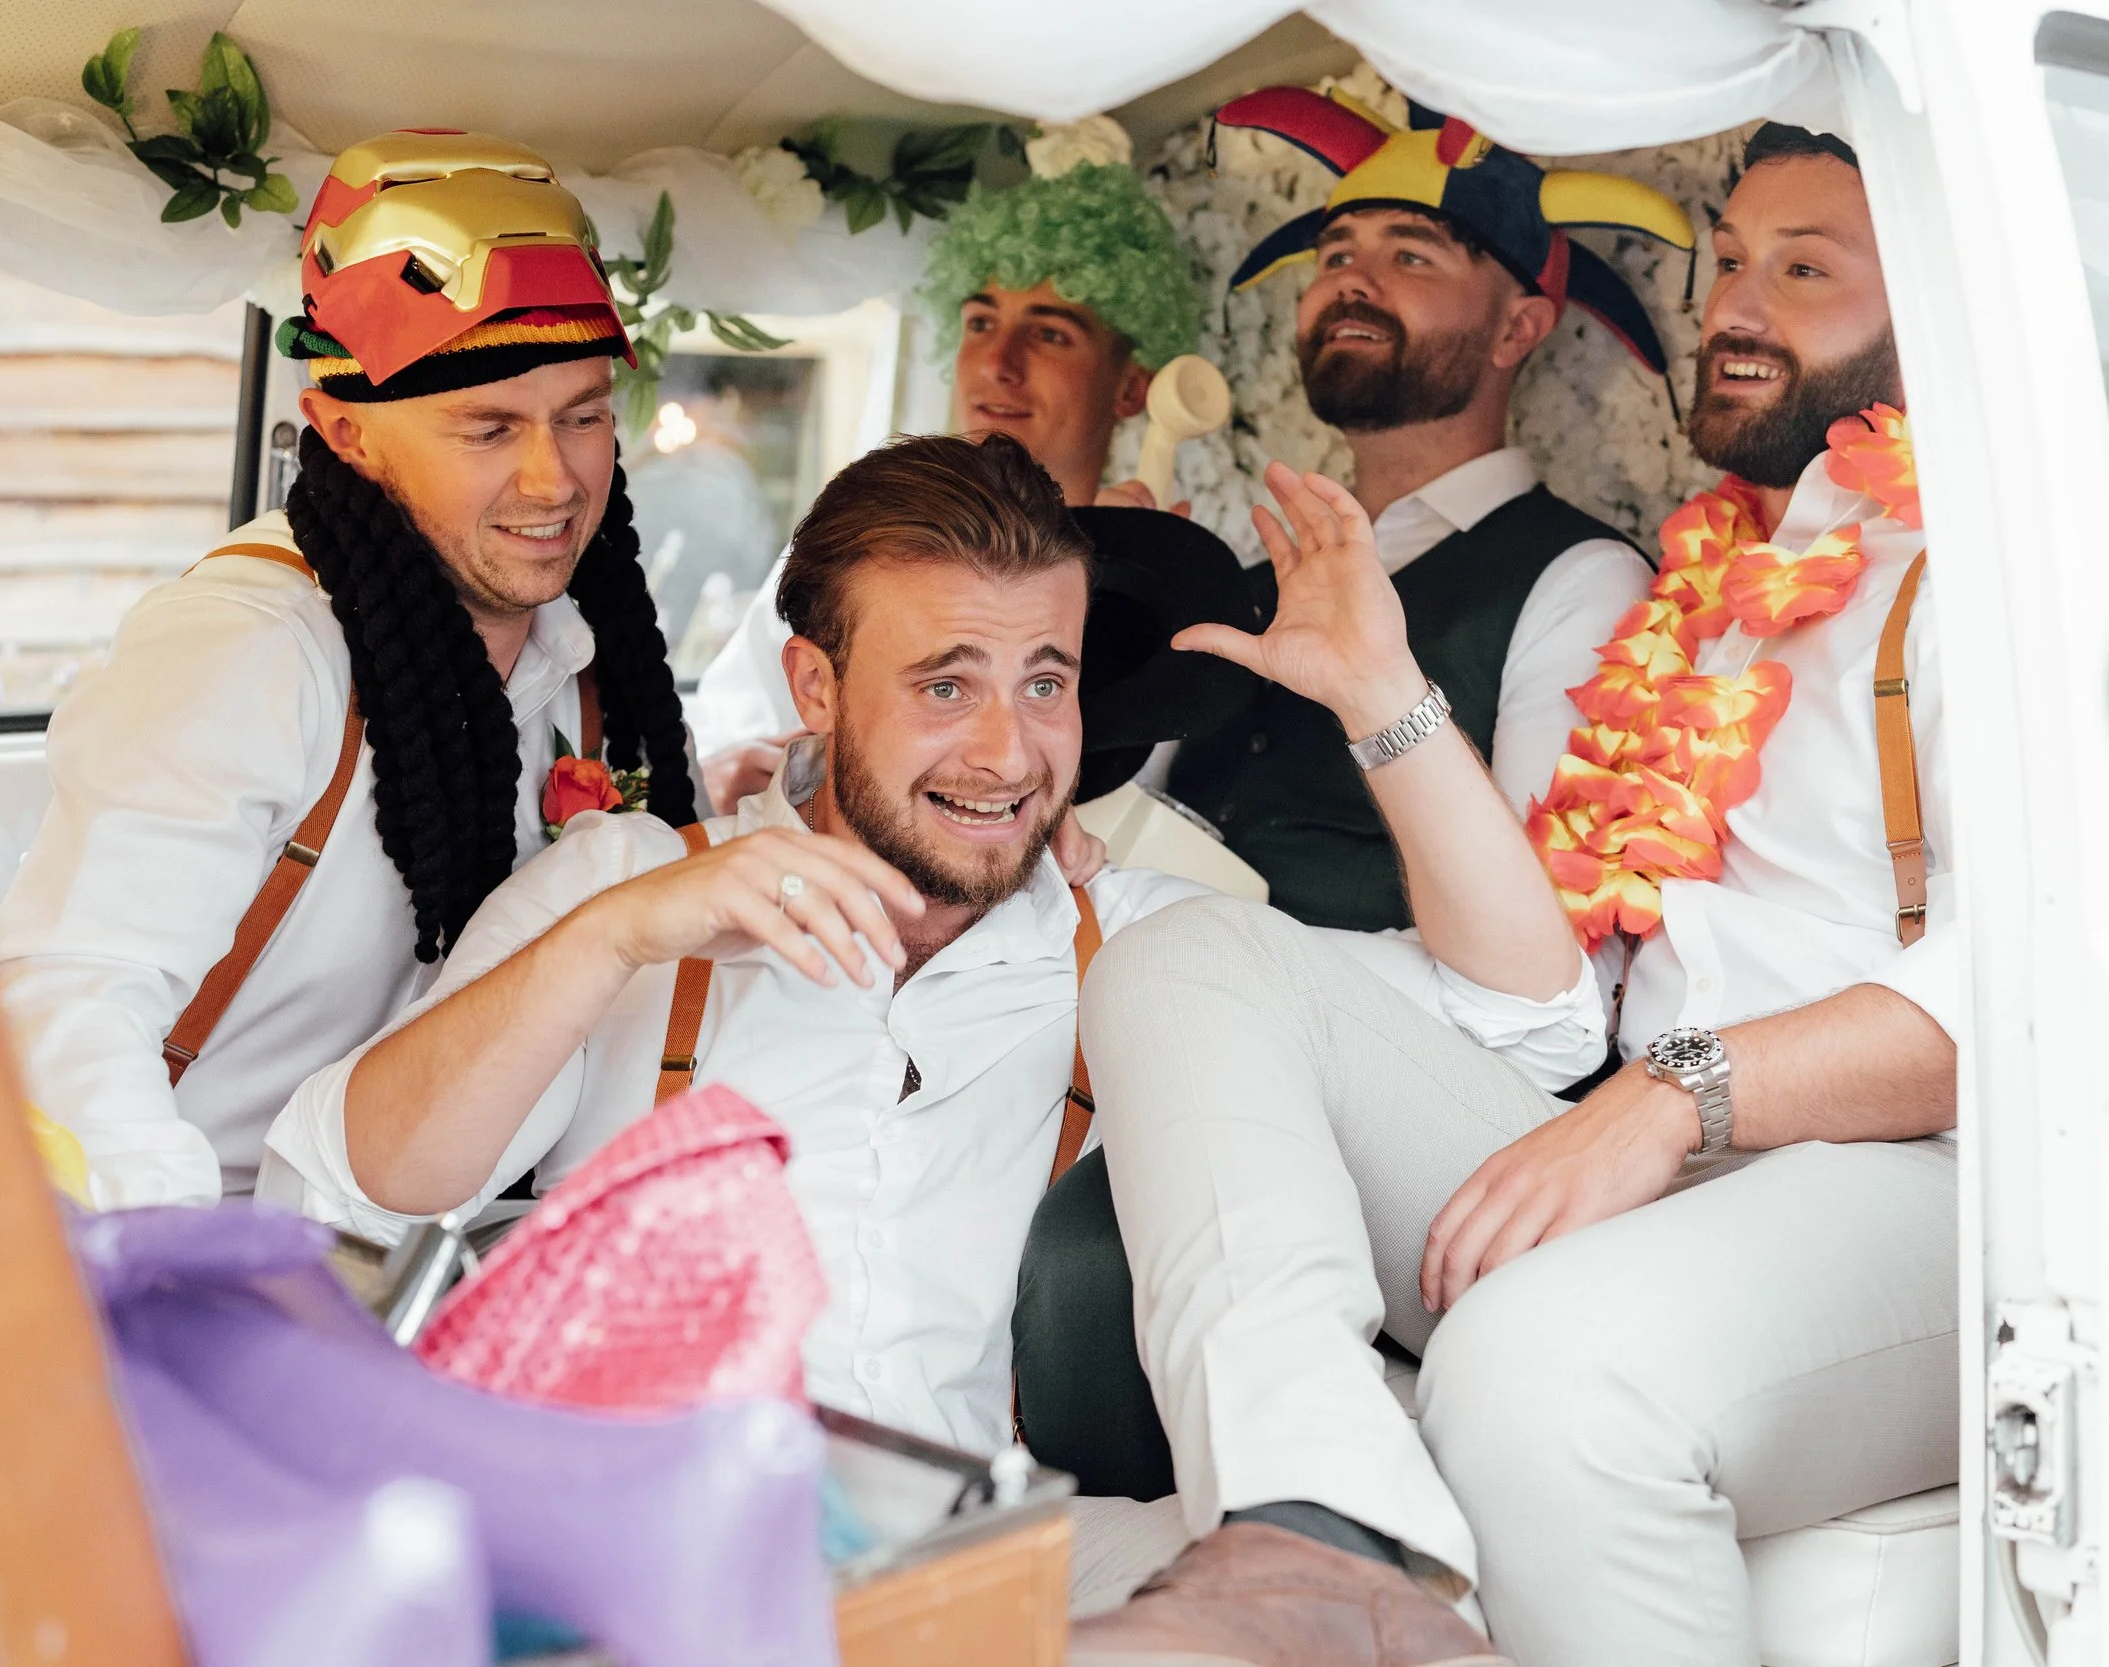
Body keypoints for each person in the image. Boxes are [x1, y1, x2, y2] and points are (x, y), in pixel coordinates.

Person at [259, 434, 1571, 1661]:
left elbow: (1537, 1020)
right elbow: (342, 1187)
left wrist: (1382, 696)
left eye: (1042, 681)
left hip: (986, 1557)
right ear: (816, 685)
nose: (1007, 752)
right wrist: (608, 940)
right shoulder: (628, 887)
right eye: (946, 682)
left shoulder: (1156, 943)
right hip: (642, 1560)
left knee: (1397, 1607)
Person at [1062, 125, 1954, 1667]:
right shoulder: (1728, 570)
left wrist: (1670, 1097)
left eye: (1803, 271)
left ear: (1943, 301)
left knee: (1534, 1368)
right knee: (1194, 958)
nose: (1733, 305)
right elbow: (1543, 984)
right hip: (1650, 1126)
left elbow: (2046, 989)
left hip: (1916, 1170)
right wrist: (1382, 693)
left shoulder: (2002, 575)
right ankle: (1315, 1531)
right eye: (1727, 262)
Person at [0, 131, 699, 1208]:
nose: (553, 478)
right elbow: (69, 997)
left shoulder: (600, 674)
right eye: (488, 427)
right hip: (191, 1236)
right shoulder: (250, 648)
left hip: (433, 1250)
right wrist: (190, 1276)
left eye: (583, 417)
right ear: (346, 433)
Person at [1167, 88, 1696, 931]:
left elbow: (1537, 945)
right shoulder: (1252, 555)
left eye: (1410, 257)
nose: (1351, 283)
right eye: (1334, 256)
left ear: (1517, 330)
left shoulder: (1582, 581)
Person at [691, 115, 1206, 808]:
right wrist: (736, 774)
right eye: (980, 323)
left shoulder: (1164, 596)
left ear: (1134, 385)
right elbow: (729, 739)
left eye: (1050, 333)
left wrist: (1117, 592)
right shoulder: (850, 546)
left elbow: (1137, 809)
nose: (999, 364)